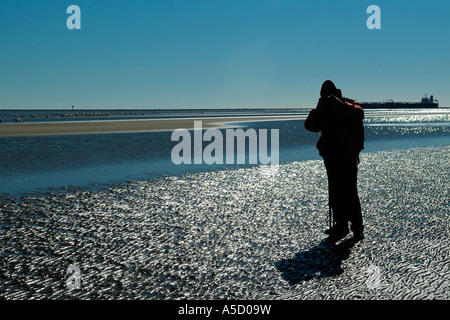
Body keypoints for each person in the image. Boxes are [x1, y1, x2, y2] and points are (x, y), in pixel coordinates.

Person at [305, 80, 364, 240]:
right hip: (331, 155)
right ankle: (341, 225)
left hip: (348, 155)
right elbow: (310, 126)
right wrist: (318, 109)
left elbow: (359, 114)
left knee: (350, 191)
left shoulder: (348, 104)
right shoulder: (324, 108)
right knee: (335, 191)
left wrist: (340, 105)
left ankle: (357, 227)